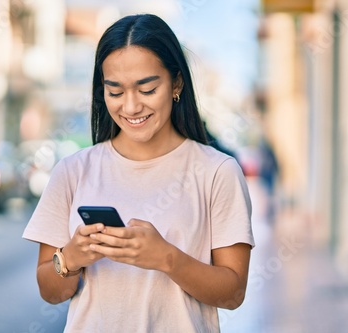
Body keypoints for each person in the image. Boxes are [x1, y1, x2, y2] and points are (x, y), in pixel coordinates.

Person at [22, 14, 254, 333]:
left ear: (176, 83)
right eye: (115, 92)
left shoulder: (217, 172)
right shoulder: (72, 171)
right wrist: (71, 258)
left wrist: (167, 258)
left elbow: (232, 293)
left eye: (146, 89)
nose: (130, 107)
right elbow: (50, 292)